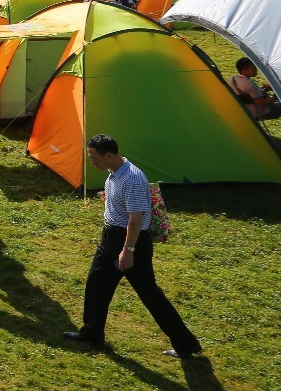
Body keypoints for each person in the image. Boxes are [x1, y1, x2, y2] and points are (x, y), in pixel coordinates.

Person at [63, 135, 202, 358]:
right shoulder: (113, 173)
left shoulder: (133, 179)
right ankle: (92, 331)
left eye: (94, 157)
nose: (92, 162)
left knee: (150, 295)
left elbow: (135, 221)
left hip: (130, 241)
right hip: (109, 237)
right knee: (97, 283)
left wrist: (128, 251)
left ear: (109, 155)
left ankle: (186, 344)